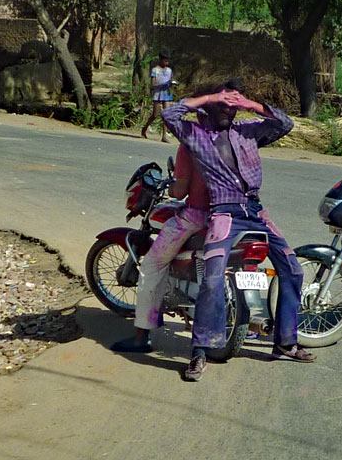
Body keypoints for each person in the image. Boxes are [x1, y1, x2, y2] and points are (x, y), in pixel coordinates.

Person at [162, 81, 314, 381]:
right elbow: (169, 115)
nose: (227, 110)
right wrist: (208, 97)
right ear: (209, 107)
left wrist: (251, 104)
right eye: (222, 105)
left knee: (293, 269)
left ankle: (286, 342)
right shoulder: (195, 134)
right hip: (223, 212)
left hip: (254, 212)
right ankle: (200, 353)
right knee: (213, 278)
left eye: (232, 107)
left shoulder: (248, 131)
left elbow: (285, 123)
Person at [110, 143, 209, 353]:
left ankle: (141, 337)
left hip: (197, 217)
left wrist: (173, 187)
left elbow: (179, 192)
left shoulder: (192, 143)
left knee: (152, 266)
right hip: (234, 218)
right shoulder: (237, 139)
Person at [141, 51, 176, 142]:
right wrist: (162, 84)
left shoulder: (169, 70)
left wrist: (171, 84)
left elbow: (170, 80)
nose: (166, 63)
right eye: (165, 61)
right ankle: (144, 129)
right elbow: (153, 85)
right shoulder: (155, 70)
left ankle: (164, 135)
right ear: (160, 60)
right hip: (157, 94)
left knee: (166, 115)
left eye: (167, 61)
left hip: (166, 94)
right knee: (155, 114)